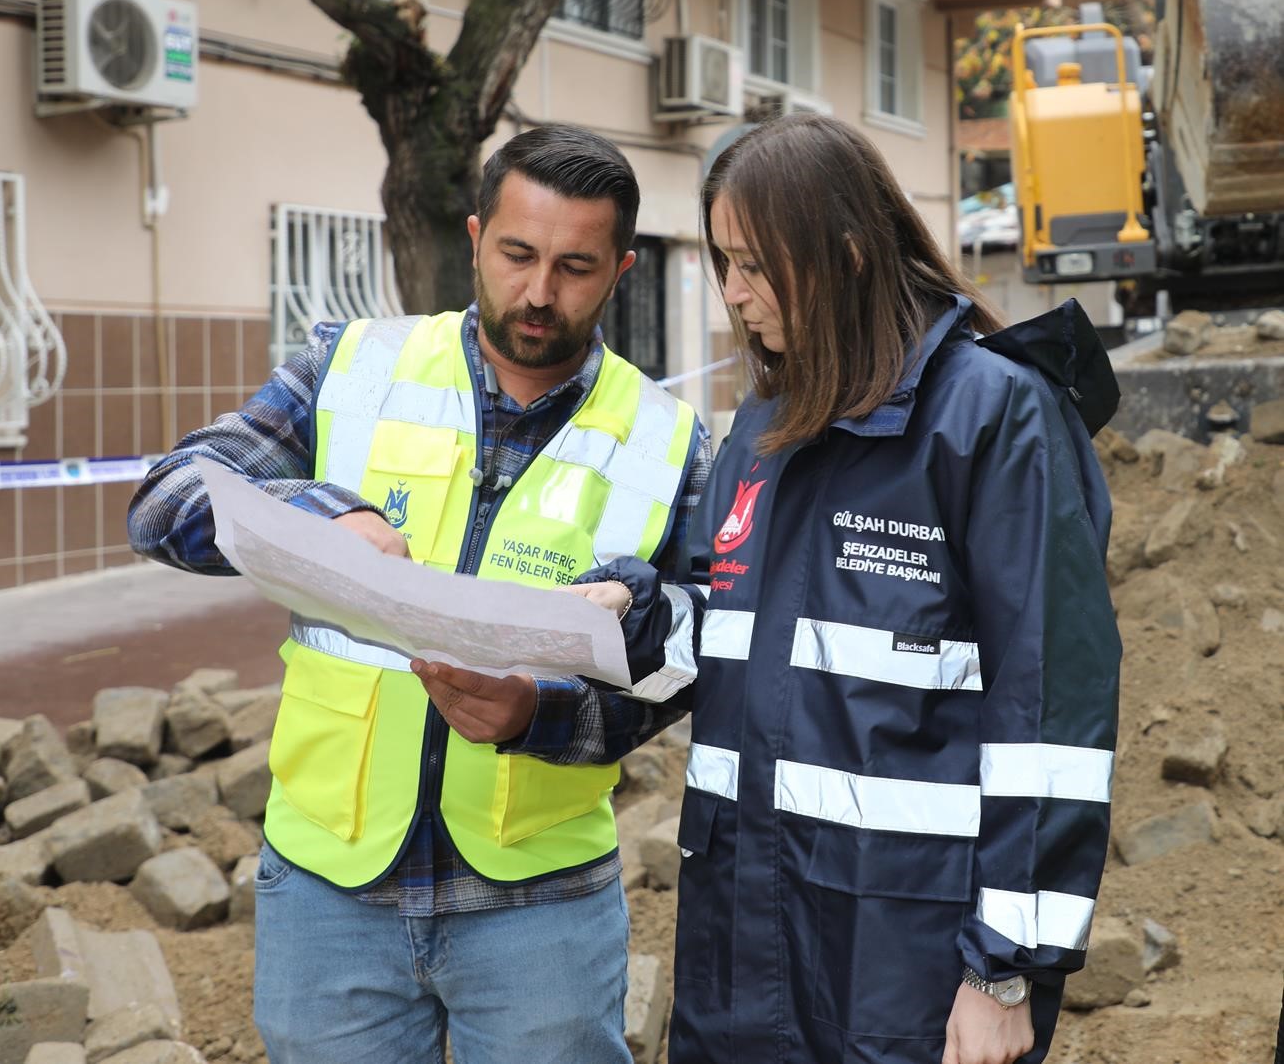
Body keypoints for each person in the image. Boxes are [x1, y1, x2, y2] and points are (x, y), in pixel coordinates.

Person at [128, 123, 711, 1064]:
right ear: (475, 236)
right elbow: (164, 501)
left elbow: (689, 662)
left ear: (621, 270)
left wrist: (538, 713)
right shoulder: (351, 367)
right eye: (517, 254)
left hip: (541, 904)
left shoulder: (668, 439)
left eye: (573, 266)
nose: (537, 291)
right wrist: (320, 514)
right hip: (329, 885)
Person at [558, 114, 1123, 1064]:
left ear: (849, 256)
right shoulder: (768, 423)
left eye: (753, 266)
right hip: (739, 941)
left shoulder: (991, 416)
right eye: (723, 263)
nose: (733, 296)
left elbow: (1050, 715)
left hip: (907, 961)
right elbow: (731, 634)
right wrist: (641, 615)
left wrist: (1001, 971)